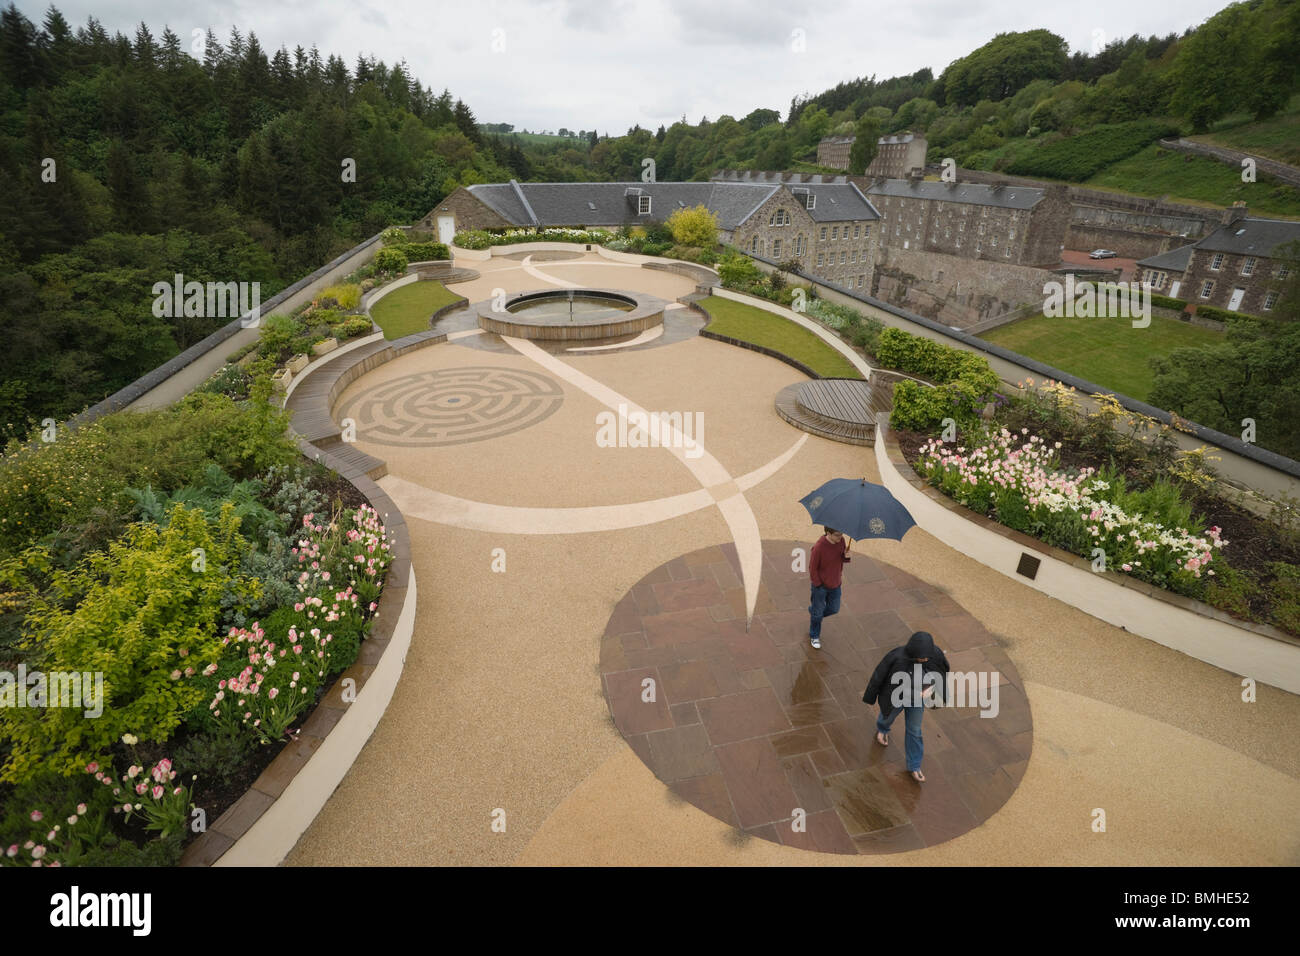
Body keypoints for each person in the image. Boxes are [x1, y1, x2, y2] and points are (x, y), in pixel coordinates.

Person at [862, 631, 950, 783]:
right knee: (887, 716)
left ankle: (914, 765)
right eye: (922, 657)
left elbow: (943, 670)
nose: (925, 659)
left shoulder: (934, 654)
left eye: (927, 657)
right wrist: (870, 697)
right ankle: (882, 728)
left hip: (918, 700)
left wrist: (935, 689)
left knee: (914, 730)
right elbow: (878, 676)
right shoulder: (896, 657)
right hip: (896, 697)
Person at [808, 526, 851, 650]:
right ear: (828, 533)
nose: (840, 537)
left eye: (841, 534)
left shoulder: (841, 541)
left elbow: (841, 559)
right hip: (820, 587)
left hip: (836, 584)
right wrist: (818, 585)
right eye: (837, 535)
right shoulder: (819, 547)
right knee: (818, 614)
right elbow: (812, 568)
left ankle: (815, 613)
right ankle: (814, 635)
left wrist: (846, 556)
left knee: (834, 609)